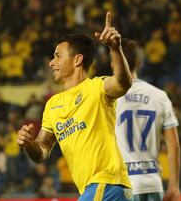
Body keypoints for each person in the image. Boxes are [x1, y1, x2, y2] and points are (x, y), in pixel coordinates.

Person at [17, 12, 133, 200]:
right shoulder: (53, 105)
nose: (51, 62)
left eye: (57, 56)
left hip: (106, 183)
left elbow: (123, 83)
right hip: (95, 188)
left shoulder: (97, 88)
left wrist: (115, 49)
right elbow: (42, 152)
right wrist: (29, 144)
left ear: (77, 60)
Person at [114, 39, 181, 201]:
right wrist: (174, 186)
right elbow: (173, 144)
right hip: (152, 183)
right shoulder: (160, 96)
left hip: (121, 185)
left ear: (113, 63)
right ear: (140, 63)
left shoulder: (108, 97)